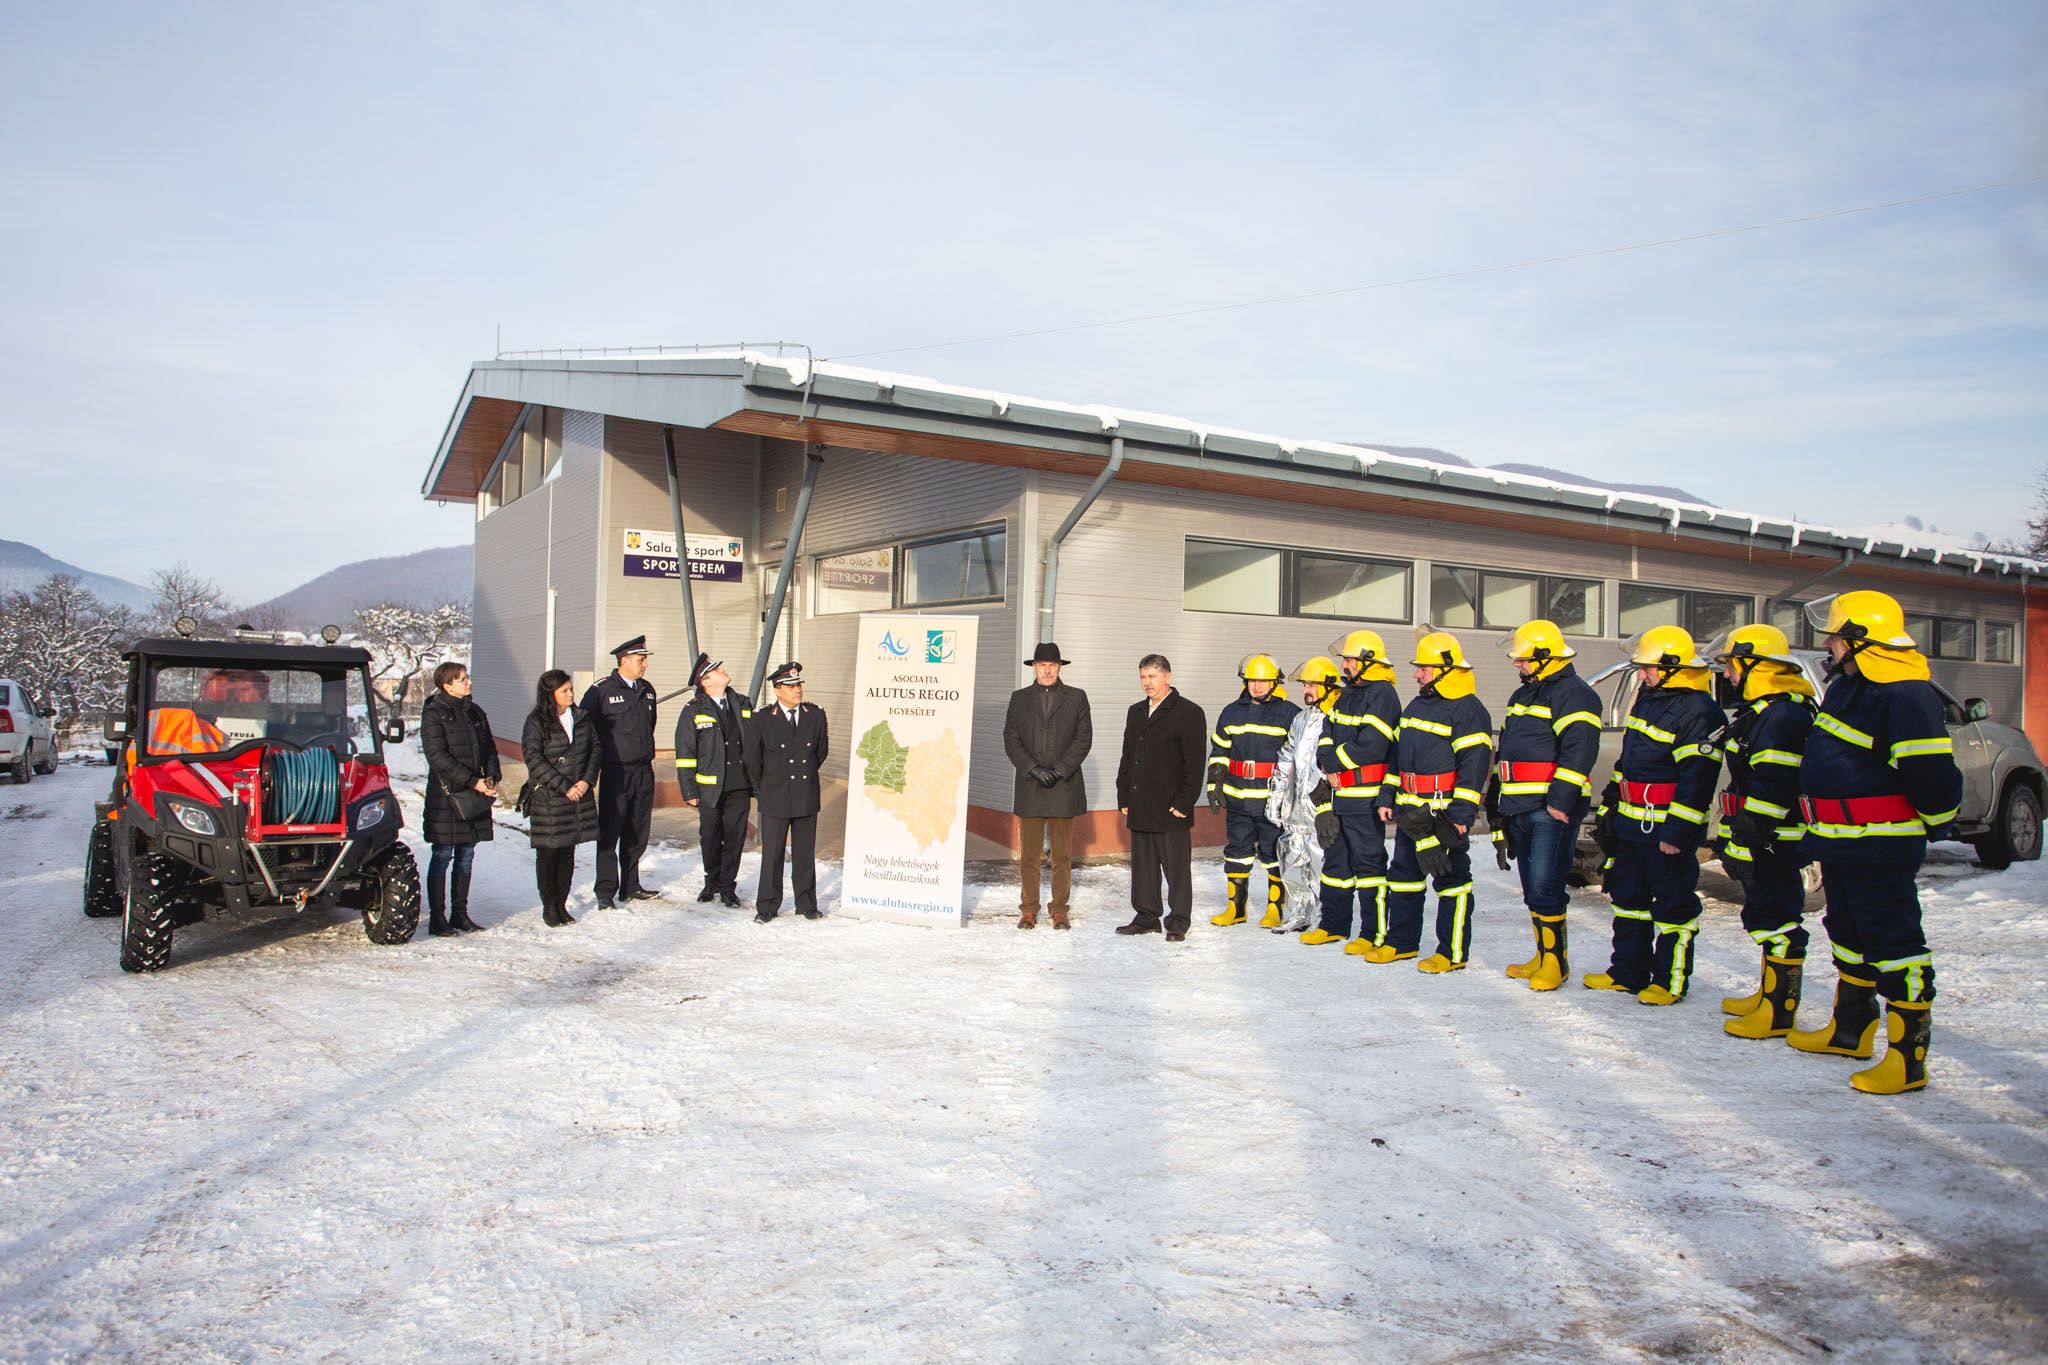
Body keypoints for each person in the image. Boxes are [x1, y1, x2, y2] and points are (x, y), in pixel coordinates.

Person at [1791, 591, 1962, 1094]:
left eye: (1835, 636)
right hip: (1842, 842)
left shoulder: (1904, 693)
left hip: (1881, 845)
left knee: (1895, 944)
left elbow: (1931, 773)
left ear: (1859, 639)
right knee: (1846, 933)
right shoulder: (1852, 685)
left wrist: (1936, 821)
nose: (1828, 643)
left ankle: (1907, 1061)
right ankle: (1850, 1032)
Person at [1585, 626, 1723, 1003]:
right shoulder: (1649, 699)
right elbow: (1629, 760)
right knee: (1628, 900)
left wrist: (1678, 832)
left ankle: (1669, 981)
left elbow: (1697, 781)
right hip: (1632, 824)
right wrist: (1612, 801)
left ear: (1673, 667)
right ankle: (1627, 972)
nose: (1642, 674)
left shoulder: (1699, 711)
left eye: (1648, 668)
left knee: (1673, 905)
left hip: (1665, 828)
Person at [1709, 625, 1818, 1039]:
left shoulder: (1784, 715)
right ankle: (1768, 994)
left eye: (1734, 665)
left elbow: (1772, 783)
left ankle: (1779, 1011)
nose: (1729, 674)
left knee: (1777, 918)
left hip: (1774, 840)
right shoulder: (1767, 710)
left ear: (1756, 665)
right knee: (1766, 913)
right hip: (1763, 835)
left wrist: (1746, 837)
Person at [1372, 631, 1493, 971]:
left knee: (1451, 880)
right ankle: (1402, 943)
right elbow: (1398, 757)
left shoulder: (1469, 710)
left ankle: (1452, 953)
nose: (1416, 673)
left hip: (1443, 813)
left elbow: (1474, 767)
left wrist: (1460, 815)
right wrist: (1388, 796)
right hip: (1411, 811)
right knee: (1403, 878)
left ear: (1445, 669)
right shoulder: (1417, 704)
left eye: (1423, 667)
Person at [1493, 620, 1602, 990]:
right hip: (1521, 806)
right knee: (1531, 888)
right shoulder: (1522, 696)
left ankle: (1557, 963)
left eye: (1523, 660)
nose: (1517, 665)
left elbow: (1580, 750)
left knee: (1546, 885)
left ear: (1544, 657)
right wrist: (1501, 805)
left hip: (1549, 808)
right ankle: (1542, 955)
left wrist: (1560, 802)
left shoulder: (1575, 694)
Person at [1311, 631, 1402, 950]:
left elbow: (1373, 746)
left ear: (1367, 662)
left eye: (1349, 660)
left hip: (1365, 798)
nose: (1345, 665)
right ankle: (1333, 925)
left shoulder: (1383, 694)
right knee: (1335, 863)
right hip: (1340, 797)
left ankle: (1372, 933)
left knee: (1369, 865)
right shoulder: (1348, 694)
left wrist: (1334, 762)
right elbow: (1327, 731)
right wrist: (1326, 761)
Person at [1114, 654, 1208, 941]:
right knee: (1143, 867)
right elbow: (1128, 756)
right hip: (1140, 803)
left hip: (1171, 807)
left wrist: (1184, 802)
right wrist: (1123, 794)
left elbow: (1195, 763)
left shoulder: (1188, 712)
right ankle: (1146, 916)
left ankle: (1178, 921)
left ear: (1167, 677)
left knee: (1176, 868)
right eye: (1143, 677)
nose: (1147, 683)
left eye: (1152, 677)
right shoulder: (1135, 711)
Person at [1002, 641, 1093, 930]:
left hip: (1063, 786)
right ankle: (1028, 909)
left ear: (1060, 667)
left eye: (1052, 665)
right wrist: (1033, 769)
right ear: (1034, 668)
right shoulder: (1019, 699)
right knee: (1029, 854)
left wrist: (1059, 770)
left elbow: (1083, 739)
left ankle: (1059, 910)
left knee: (1062, 855)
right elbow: (1011, 739)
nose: (1047, 670)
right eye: (1042, 665)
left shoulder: (1077, 698)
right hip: (1031, 784)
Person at [1207, 653, 1300, 929]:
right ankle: (1236, 909)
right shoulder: (1231, 712)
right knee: (1236, 852)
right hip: (1238, 797)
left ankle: (1275, 908)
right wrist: (1214, 784)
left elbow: (1298, 758)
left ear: (1275, 682)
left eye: (1263, 680)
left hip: (1272, 801)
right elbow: (1220, 750)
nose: (1257, 686)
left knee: (1273, 854)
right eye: (1252, 681)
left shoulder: (1289, 713)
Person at [419, 661, 499, 936]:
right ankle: (437, 917)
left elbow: (489, 747)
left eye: (467, 677)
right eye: (462, 679)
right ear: (447, 685)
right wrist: (473, 781)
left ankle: (460, 914)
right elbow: (438, 757)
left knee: (466, 854)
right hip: (447, 797)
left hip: (474, 795)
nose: (469, 682)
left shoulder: (475, 712)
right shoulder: (434, 714)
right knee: (442, 855)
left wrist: (491, 777)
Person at [581, 636, 662, 909]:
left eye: (645, 660)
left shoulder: (647, 690)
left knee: (637, 830)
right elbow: (585, 730)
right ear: (624, 661)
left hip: (643, 770)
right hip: (616, 772)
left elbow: (648, 726)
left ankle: (631, 885)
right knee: (610, 831)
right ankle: (605, 890)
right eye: (640, 660)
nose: (645, 665)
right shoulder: (601, 691)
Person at [744, 661, 828, 922]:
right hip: (775, 795)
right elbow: (751, 758)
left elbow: (820, 752)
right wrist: (768, 785)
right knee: (772, 856)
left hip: (805, 794)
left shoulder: (815, 714)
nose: (797, 689)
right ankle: (767, 906)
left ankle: (807, 904)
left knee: (805, 854)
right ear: (777, 690)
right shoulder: (761, 717)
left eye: (799, 684)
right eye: (791, 686)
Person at [1266, 655, 1343, 935]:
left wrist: (1332, 805)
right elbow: (1286, 758)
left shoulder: (1338, 718)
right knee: (1292, 858)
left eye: (1311, 684)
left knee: (1321, 861)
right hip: (1296, 807)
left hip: (1321, 807)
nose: (1306, 690)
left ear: (1327, 686)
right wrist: (1276, 797)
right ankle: (1300, 912)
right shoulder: (1300, 718)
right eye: (1305, 684)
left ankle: (1326, 916)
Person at [521, 669, 600, 927]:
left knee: (567, 852)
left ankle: (561, 904)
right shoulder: (536, 722)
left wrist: (586, 781)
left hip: (577, 795)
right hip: (550, 797)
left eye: (570, 689)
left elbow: (595, 749)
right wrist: (565, 786)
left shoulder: (581, 718)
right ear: (550, 693)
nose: (570, 694)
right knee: (549, 853)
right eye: (564, 690)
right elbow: (534, 759)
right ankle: (549, 906)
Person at [676, 653, 754, 909]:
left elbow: (754, 743)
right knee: (710, 836)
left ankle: (727, 887)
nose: (724, 671)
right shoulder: (694, 709)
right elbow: (685, 753)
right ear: (706, 682)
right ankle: (711, 881)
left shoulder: (743, 703)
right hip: (709, 787)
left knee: (735, 836)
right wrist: (689, 789)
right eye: (718, 670)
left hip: (739, 784)